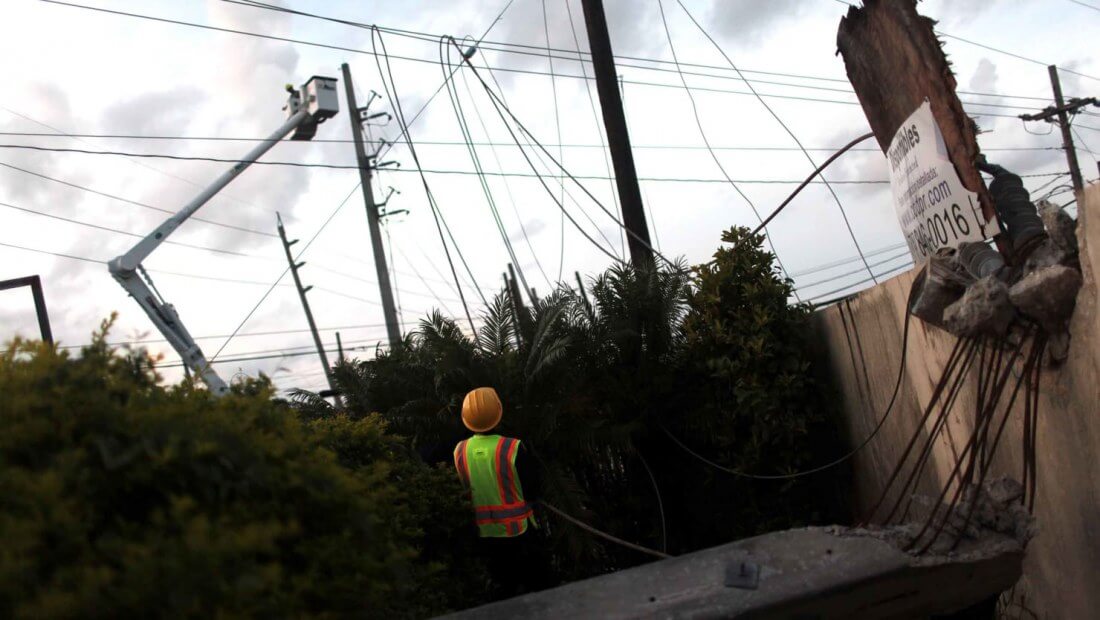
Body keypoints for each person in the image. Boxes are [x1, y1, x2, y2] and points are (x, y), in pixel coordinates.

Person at [453, 387, 547, 596]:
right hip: (519, 534)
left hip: (484, 538)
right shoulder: (512, 447)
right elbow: (533, 490)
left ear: (466, 418)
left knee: (504, 593)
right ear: (499, 412)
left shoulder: (459, 450)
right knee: (537, 590)